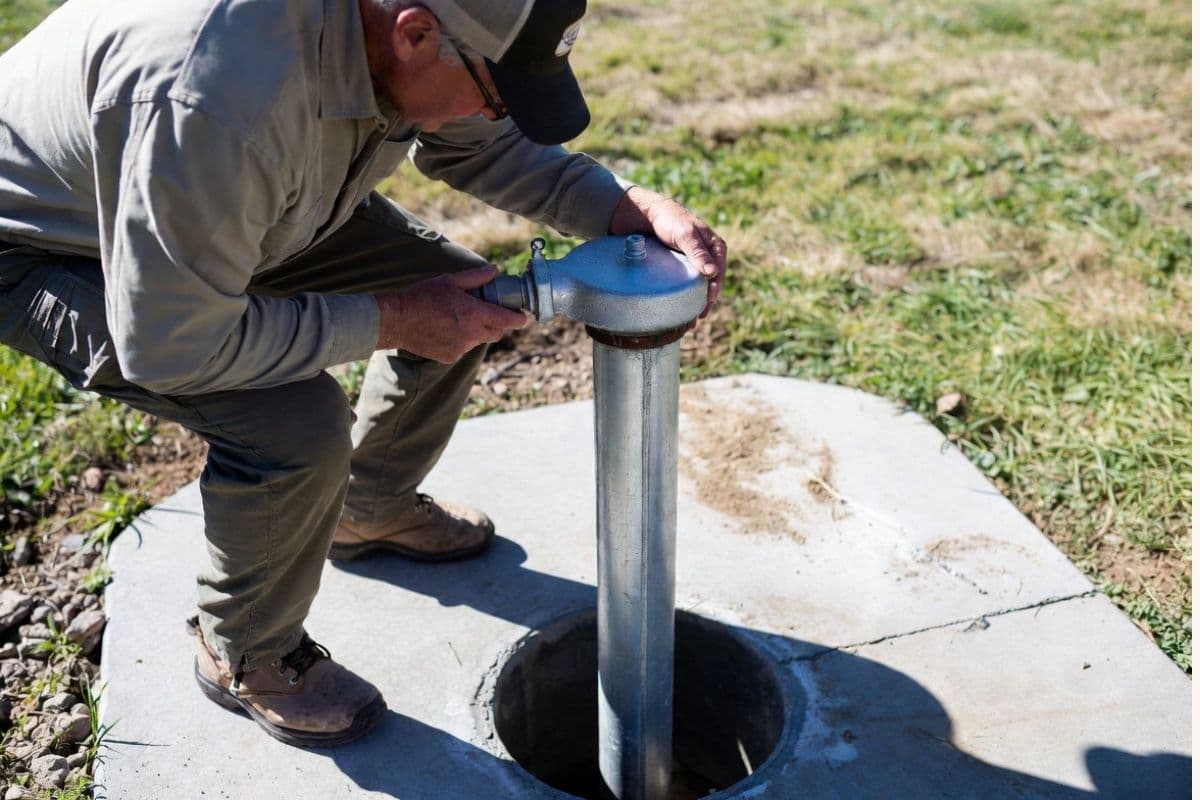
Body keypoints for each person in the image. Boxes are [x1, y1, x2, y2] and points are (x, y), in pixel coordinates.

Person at [0, 0, 727, 746]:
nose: (493, 110)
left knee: (463, 294)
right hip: (49, 243)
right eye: (495, 91)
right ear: (414, 33)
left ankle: (367, 508)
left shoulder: (413, 37)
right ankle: (246, 651)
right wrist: (391, 317)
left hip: (227, 203)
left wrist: (623, 207)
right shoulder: (219, 96)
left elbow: (487, 148)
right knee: (293, 426)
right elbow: (171, 344)